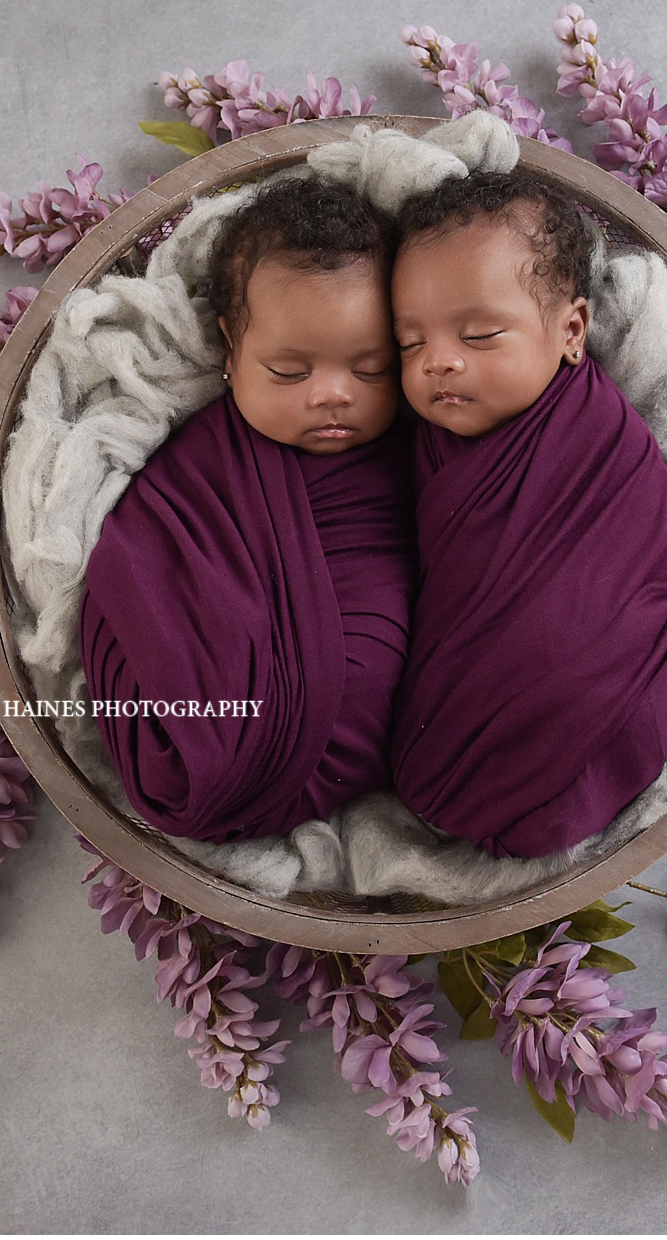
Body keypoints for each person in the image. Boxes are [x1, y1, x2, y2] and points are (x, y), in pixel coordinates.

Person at [77, 176, 417, 843]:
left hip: (346, 746)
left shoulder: (418, 457)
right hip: (199, 742)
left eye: (371, 368)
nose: (331, 395)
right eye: (290, 371)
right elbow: (139, 570)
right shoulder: (198, 469)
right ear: (231, 350)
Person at [388, 169, 667, 858]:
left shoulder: (601, 447)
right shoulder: (421, 447)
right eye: (410, 342)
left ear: (571, 331)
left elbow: (641, 570)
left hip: (590, 706)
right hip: (451, 726)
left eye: (478, 334)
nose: (437, 361)